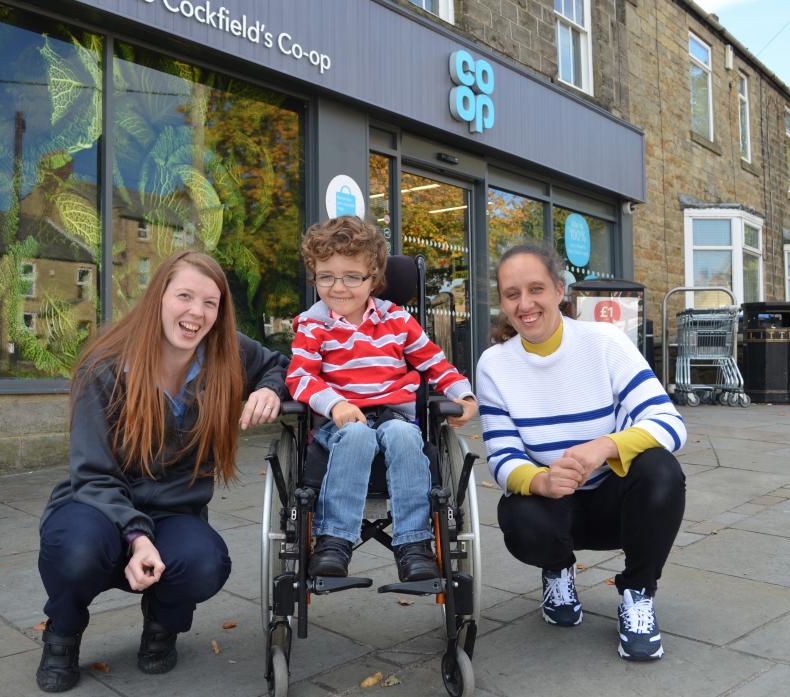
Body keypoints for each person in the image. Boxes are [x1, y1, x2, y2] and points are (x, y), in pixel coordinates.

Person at [35, 251, 288, 692]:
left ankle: (161, 626)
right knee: (74, 550)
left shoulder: (226, 352)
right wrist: (137, 536)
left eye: (210, 303)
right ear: (159, 298)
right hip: (97, 505)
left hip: (175, 510)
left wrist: (268, 388)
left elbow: (279, 363)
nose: (197, 312)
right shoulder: (106, 364)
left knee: (204, 563)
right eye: (185, 296)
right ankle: (63, 633)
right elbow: (93, 474)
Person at [476, 244, 687, 662]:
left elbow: (670, 423)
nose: (525, 304)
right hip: (555, 508)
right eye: (512, 294)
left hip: (617, 504)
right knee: (517, 513)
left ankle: (639, 593)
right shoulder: (493, 365)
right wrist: (541, 481)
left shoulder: (604, 342)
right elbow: (501, 458)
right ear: (502, 303)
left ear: (558, 290)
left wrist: (604, 447)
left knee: (661, 471)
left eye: (536, 289)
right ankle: (557, 569)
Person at [286, 216, 478, 583]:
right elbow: (299, 377)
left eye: (351, 276)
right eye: (325, 276)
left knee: (406, 436)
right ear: (314, 275)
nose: (337, 287)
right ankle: (334, 542)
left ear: (373, 277)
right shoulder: (313, 325)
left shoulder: (397, 322)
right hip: (340, 424)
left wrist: (463, 394)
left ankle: (413, 545)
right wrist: (335, 405)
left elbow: (435, 362)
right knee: (358, 435)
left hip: (394, 418)